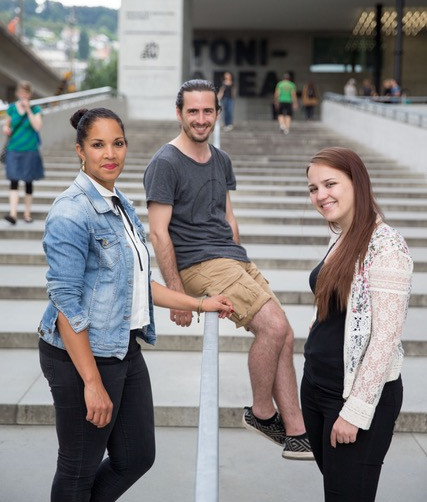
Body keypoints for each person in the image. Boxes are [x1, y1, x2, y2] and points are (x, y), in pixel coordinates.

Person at [38, 107, 233, 501]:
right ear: (80, 150)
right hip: (81, 356)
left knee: (137, 455)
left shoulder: (118, 202)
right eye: (98, 145)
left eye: (118, 143)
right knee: (78, 468)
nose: (110, 154)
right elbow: (66, 309)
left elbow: (137, 283)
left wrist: (199, 303)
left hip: (122, 346)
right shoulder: (71, 212)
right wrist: (92, 383)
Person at [143, 79, 313, 461]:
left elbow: (228, 215)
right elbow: (158, 232)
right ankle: (261, 412)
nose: (200, 119)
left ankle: (298, 431)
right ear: (179, 113)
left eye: (207, 111)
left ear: (217, 114)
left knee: (284, 335)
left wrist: (241, 258)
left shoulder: (220, 159)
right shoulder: (165, 163)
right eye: (193, 111)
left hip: (232, 258)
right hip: (199, 265)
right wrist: (180, 297)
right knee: (275, 328)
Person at [303, 147, 413, 501]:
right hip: (318, 387)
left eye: (330, 184)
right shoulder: (341, 234)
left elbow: (385, 338)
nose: (321, 195)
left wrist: (355, 413)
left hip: (353, 399)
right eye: (313, 188)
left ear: (357, 182)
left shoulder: (387, 247)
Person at [2, 80, 44, 224]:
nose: (23, 95)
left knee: (28, 182)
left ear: (30, 94)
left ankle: (27, 214)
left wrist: (28, 110)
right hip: (13, 149)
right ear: (18, 93)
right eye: (21, 92)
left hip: (30, 150)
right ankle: (13, 214)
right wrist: (6, 129)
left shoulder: (36, 109)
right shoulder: (12, 108)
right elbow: (7, 125)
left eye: (26, 92)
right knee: (13, 180)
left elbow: (37, 126)